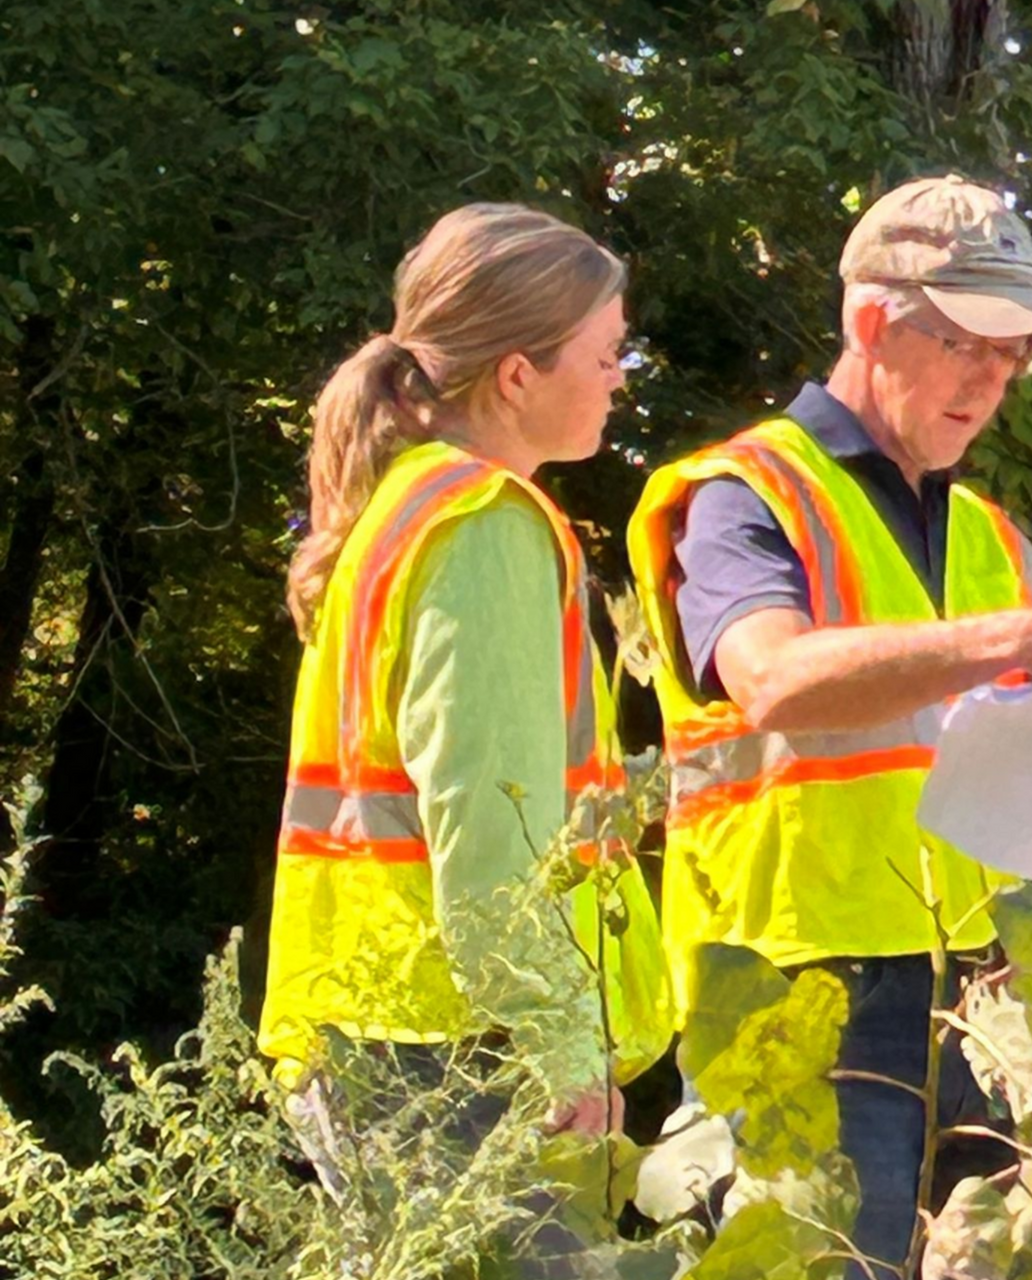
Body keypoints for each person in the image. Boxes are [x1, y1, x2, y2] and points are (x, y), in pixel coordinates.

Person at [628, 174, 1032, 1273]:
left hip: (975, 1009)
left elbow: (1013, 824)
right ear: (873, 320)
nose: (998, 374)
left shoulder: (988, 538)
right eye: (973, 340)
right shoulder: (742, 493)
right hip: (800, 1006)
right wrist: (1014, 640)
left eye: (1018, 349)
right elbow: (772, 676)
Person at [259, 203, 672, 1276]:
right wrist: (563, 1044)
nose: (621, 375)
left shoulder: (403, 507)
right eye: (605, 351)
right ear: (519, 374)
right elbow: (491, 827)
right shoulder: (483, 524)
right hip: (448, 1052)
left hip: (384, 1027)